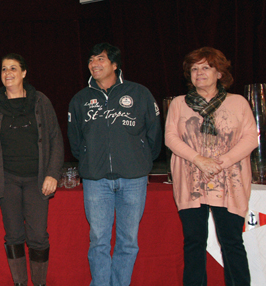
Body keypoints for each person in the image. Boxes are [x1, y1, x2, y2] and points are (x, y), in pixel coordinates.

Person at [67, 43, 162, 286]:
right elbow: (76, 142)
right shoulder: (80, 99)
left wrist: (138, 160)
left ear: (115, 65)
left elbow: (154, 137)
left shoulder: (140, 93)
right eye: (91, 60)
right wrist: (91, 160)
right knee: (98, 239)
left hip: (134, 179)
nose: (94, 64)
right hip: (95, 181)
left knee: (128, 240)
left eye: (100, 59)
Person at [165, 47, 257, 286]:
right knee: (194, 243)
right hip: (191, 181)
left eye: (206, 67)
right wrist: (199, 159)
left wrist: (222, 162)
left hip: (229, 182)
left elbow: (250, 138)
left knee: (232, 242)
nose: (199, 73)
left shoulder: (238, 103)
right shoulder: (178, 103)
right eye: (194, 69)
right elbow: (171, 138)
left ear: (219, 73)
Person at [0, 53, 64, 286]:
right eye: (4, 69)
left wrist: (52, 174)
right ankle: (19, 283)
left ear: (24, 73)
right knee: (13, 235)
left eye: (13, 68)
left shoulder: (40, 101)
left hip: (38, 179)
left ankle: (39, 284)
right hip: (7, 179)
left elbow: (56, 139)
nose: (8, 73)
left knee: (38, 236)